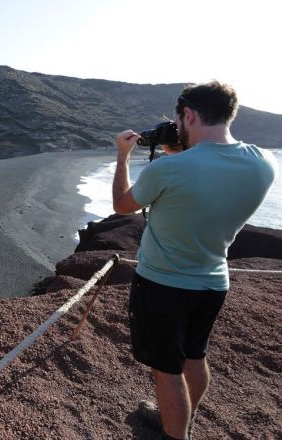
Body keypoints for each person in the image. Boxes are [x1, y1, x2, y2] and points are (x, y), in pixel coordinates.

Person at [111, 81, 278, 440]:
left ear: (189, 114)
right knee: (194, 355)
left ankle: (175, 432)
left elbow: (122, 205)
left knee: (166, 370)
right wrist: (182, 153)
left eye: (178, 118)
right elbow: (206, 181)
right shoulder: (265, 162)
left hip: (162, 283)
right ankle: (185, 418)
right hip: (214, 281)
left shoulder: (168, 170)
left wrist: (123, 156)